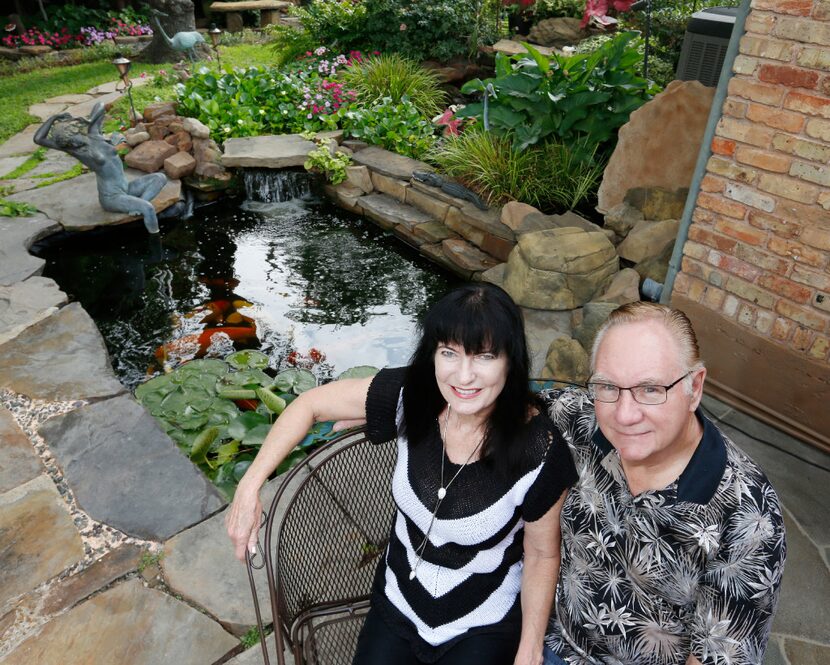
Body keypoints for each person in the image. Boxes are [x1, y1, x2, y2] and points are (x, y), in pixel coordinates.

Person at [226, 282, 577, 665]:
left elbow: (542, 554)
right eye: (449, 353)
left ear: (511, 360)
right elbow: (309, 404)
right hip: (398, 600)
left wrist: (529, 647)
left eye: (484, 356)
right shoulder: (415, 396)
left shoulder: (540, 450)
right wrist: (249, 485)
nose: (463, 376)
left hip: (482, 619)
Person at [539, 302, 786, 665]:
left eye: (651, 389)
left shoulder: (749, 516)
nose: (624, 415)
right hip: (548, 641)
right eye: (608, 385)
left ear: (695, 387)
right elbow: (495, 406)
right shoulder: (580, 419)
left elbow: (717, 656)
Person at [33, 102, 167, 234]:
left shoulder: (94, 134)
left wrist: (90, 119)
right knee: (148, 209)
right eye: (67, 142)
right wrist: (54, 117)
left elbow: (100, 104)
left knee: (160, 178)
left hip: (126, 188)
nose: (70, 143)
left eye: (70, 137)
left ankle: (137, 205)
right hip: (112, 197)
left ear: (75, 130)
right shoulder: (78, 151)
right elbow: (39, 139)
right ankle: (155, 243)